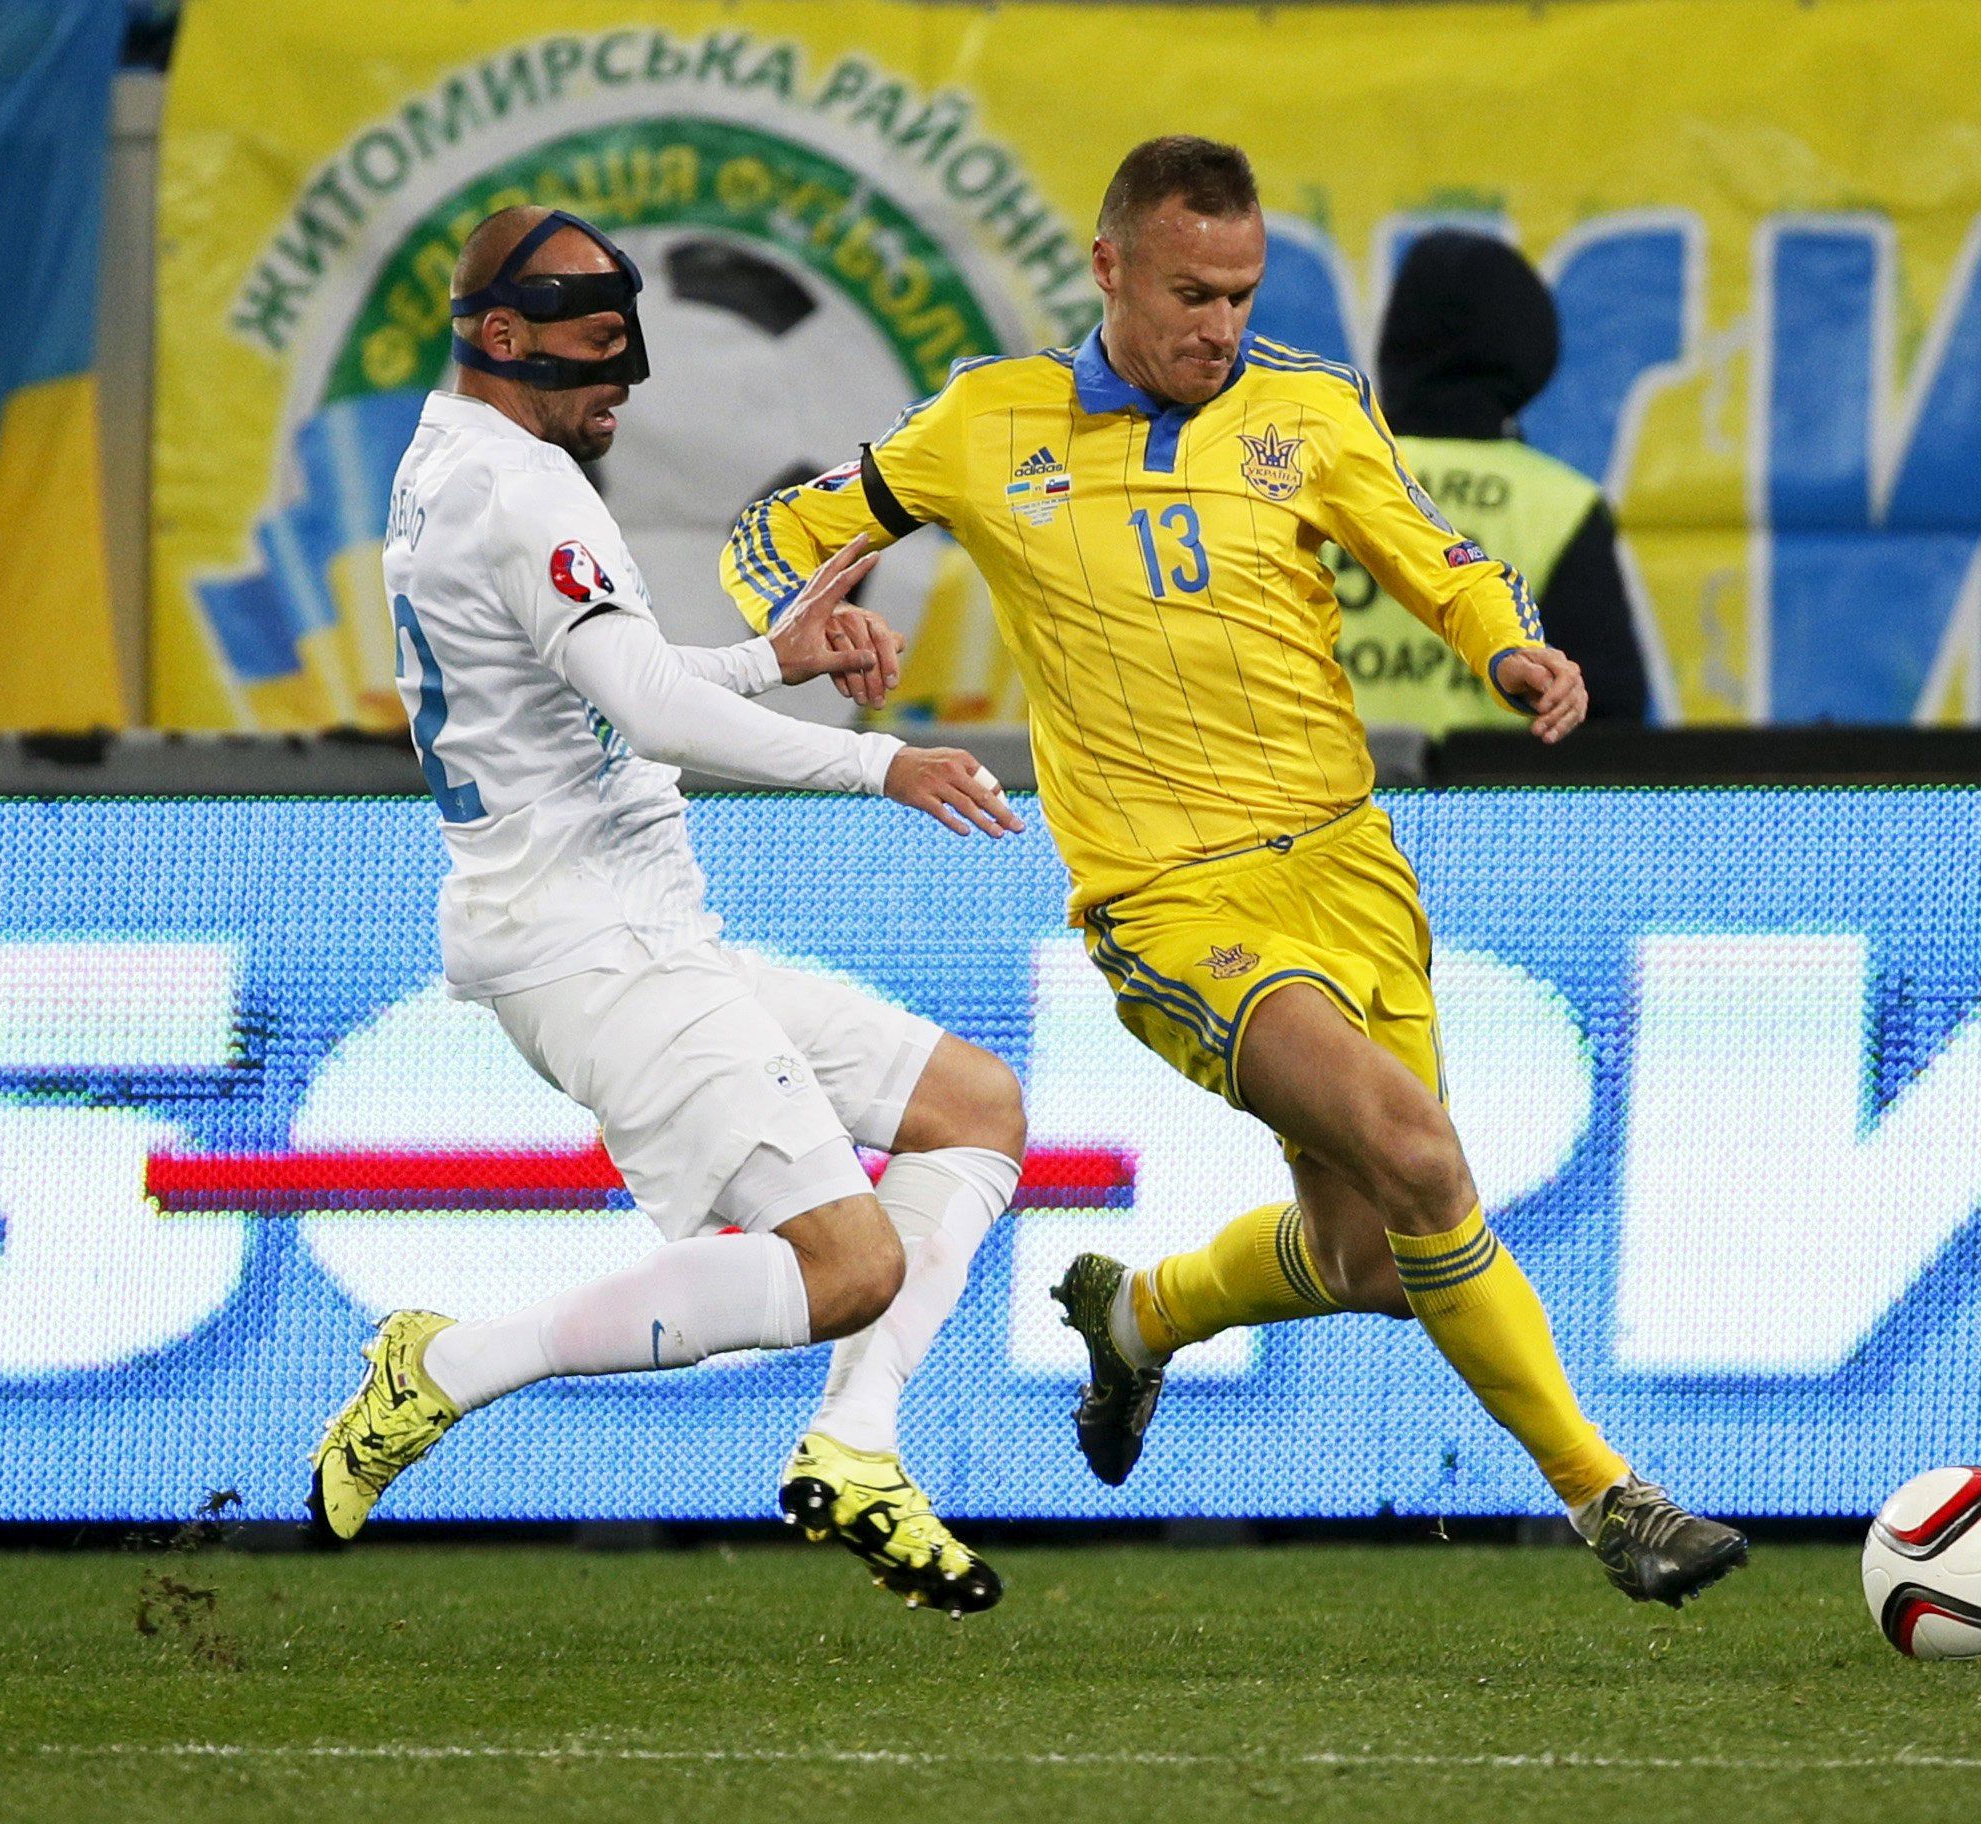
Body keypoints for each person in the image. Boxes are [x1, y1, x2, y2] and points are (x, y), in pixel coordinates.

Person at [721, 139, 1746, 1605]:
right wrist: (804, 619)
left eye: (1242, 295)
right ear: (1109, 268)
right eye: (1191, 294)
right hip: (1174, 901)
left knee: (1372, 1257)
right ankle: (1610, 1499)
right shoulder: (986, 421)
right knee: (1419, 1155)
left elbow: (1439, 556)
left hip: (1348, 867)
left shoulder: (1308, 408)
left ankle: (1138, 1316)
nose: (1220, 327)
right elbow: (777, 534)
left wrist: (1508, 646)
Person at [308, 205, 1027, 1617]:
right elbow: (644, 710)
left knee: (973, 1108)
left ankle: (855, 1443)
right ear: (500, 336)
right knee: (849, 1268)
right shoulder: (520, 490)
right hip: (594, 951)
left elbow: (601, 680)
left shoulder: (464, 465)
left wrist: (768, 658)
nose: (622, 382)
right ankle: (448, 1364)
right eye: (595, 351)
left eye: (626, 348)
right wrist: (877, 762)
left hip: (634, 927)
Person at [1329, 229, 1651, 729]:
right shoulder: (1558, 505)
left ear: (1396, 341)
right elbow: (1607, 713)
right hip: (1503, 782)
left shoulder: (1324, 475)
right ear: (1530, 350)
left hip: (1322, 778)